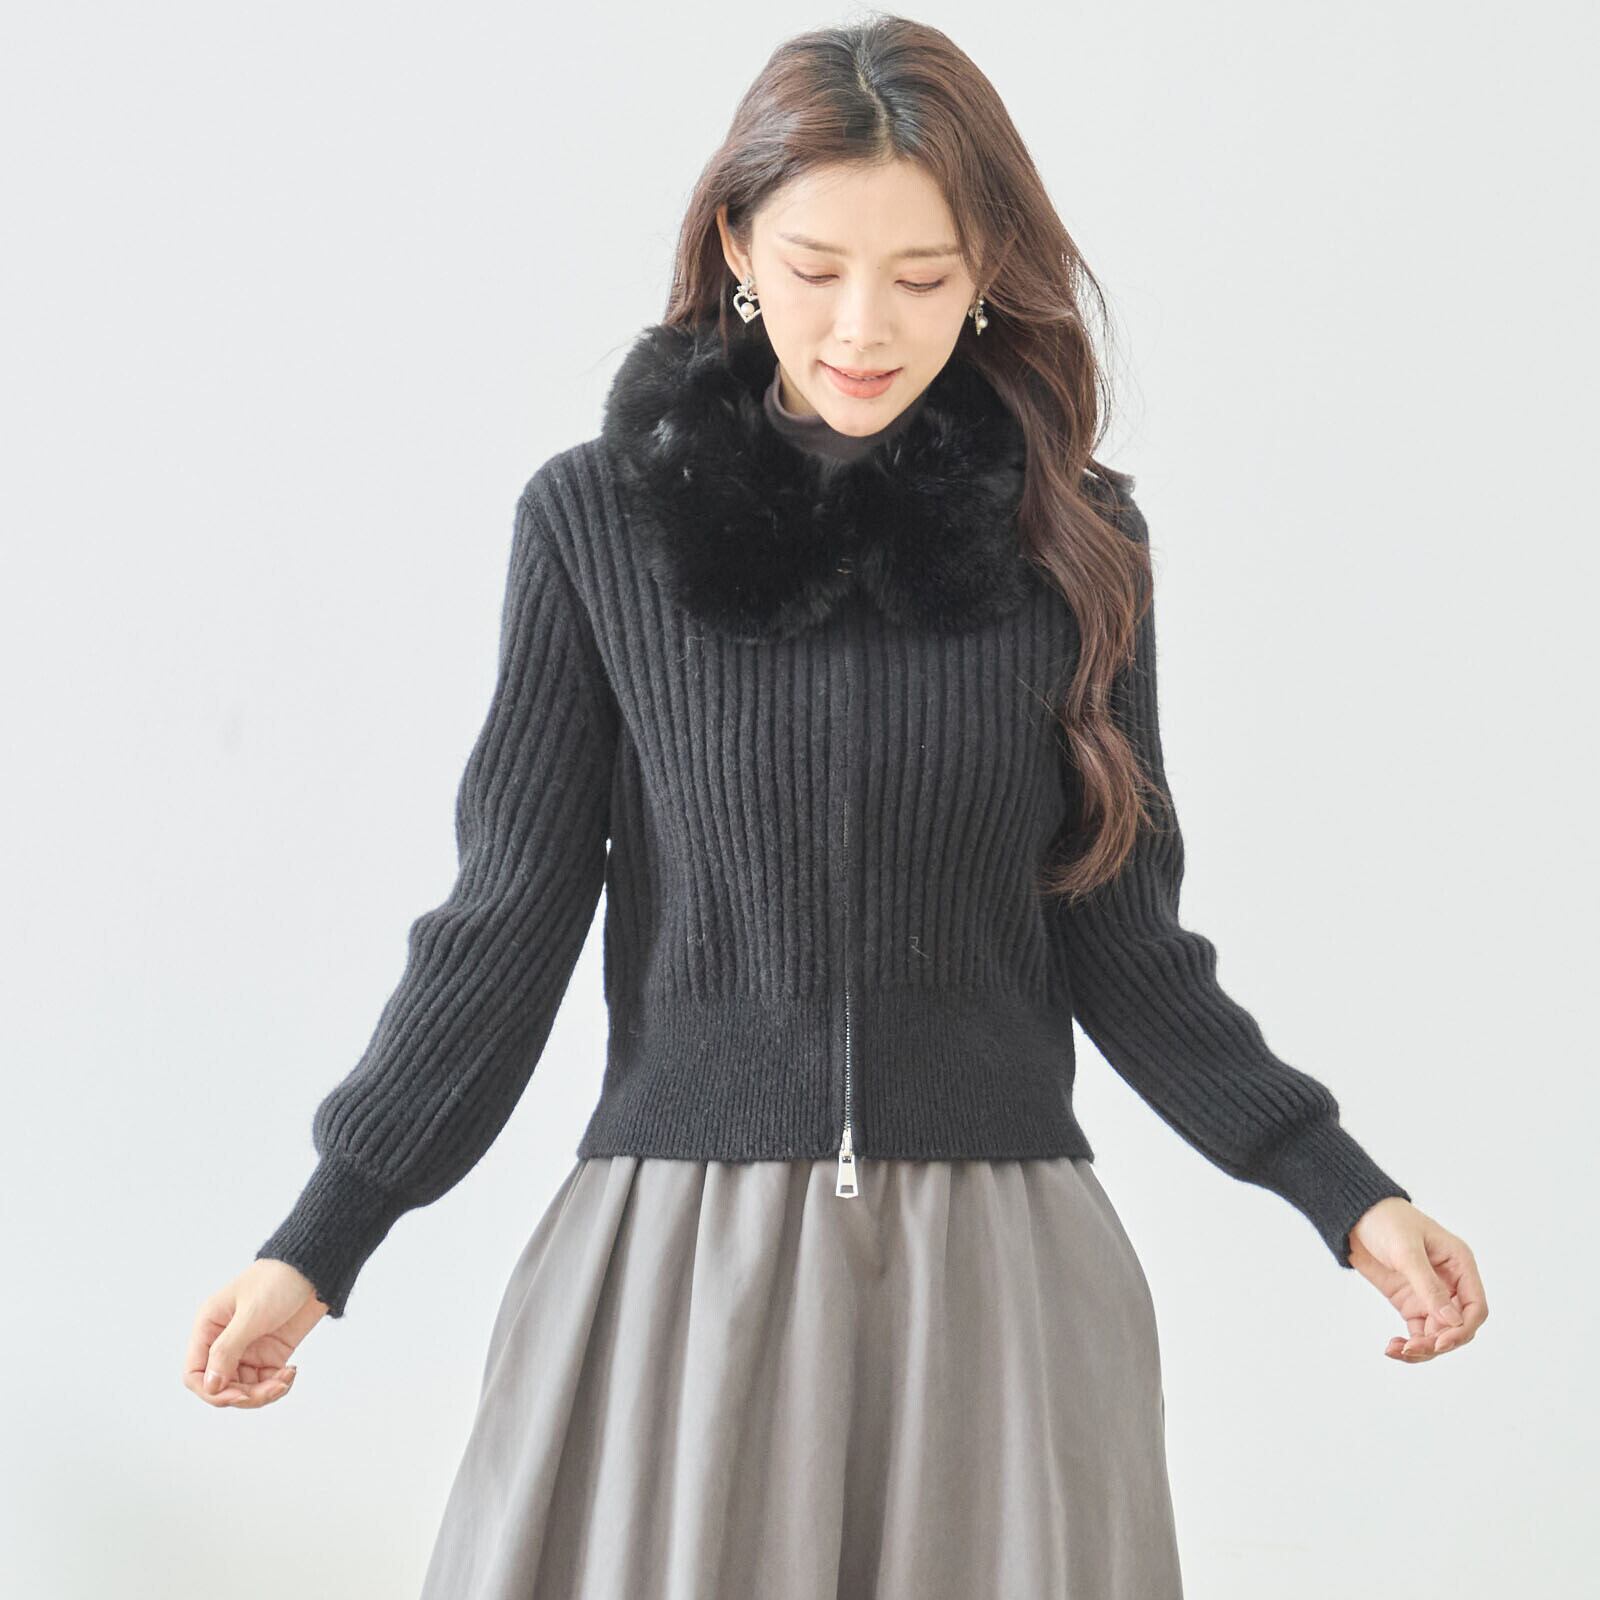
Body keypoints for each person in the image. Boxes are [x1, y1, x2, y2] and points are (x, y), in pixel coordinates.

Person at [183, 16, 1487, 1597]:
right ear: (737, 246)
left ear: (987, 268)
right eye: (815, 269)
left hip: (1000, 1281)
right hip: (684, 1269)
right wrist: (323, 1238)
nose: (865, 326)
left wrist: (1344, 1192)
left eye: (923, 278)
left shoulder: (1078, 544)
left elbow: (1127, 942)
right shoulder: (597, 524)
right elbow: (505, 922)